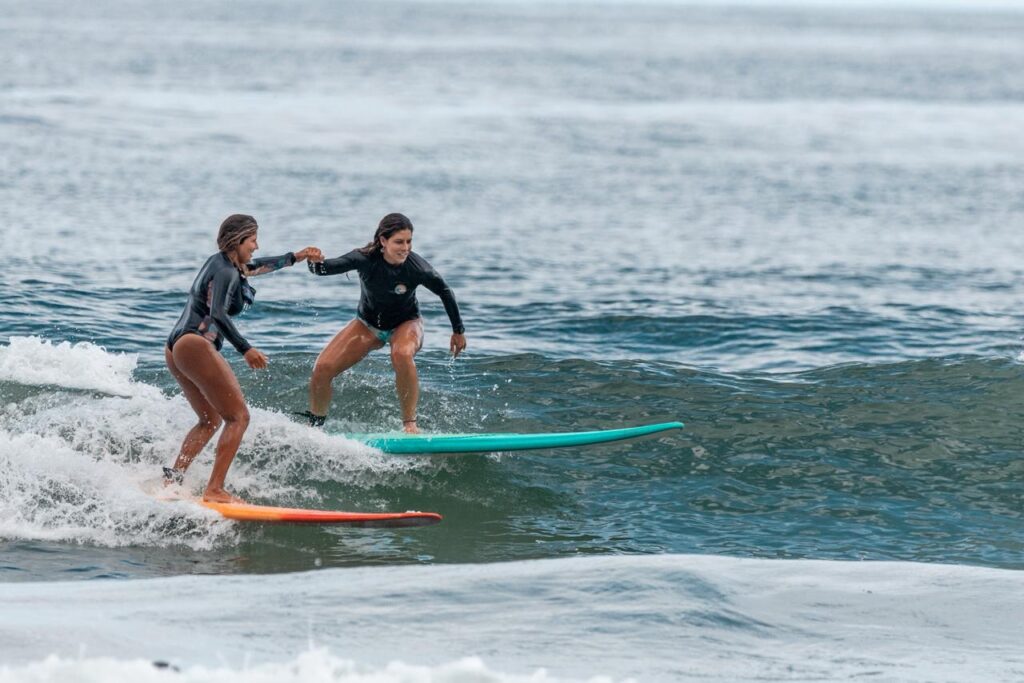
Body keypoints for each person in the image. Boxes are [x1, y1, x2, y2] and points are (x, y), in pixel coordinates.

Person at [164, 214, 322, 503]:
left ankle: (172, 480)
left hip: (176, 345)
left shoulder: (223, 263)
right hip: (195, 344)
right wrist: (245, 349)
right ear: (237, 241)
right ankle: (214, 490)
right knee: (239, 417)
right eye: (252, 240)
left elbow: (256, 267)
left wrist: (296, 257)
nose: (256, 245)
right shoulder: (225, 272)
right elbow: (217, 314)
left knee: (209, 420)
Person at [305, 212, 466, 433]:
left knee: (401, 353)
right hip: (367, 324)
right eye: (399, 242)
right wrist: (314, 262)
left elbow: (445, 292)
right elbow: (324, 269)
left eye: (409, 242)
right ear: (383, 241)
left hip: (406, 323)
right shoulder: (363, 259)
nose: (406, 248)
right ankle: (315, 425)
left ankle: (410, 424)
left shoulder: (417, 268)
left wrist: (458, 331)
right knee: (322, 369)